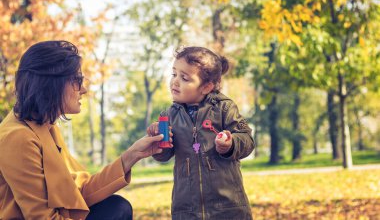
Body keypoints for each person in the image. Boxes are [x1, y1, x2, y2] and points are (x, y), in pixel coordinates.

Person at [0, 40, 169, 220]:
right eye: (76, 80)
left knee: (116, 207)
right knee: (116, 210)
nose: (84, 89)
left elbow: (77, 192)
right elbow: (43, 217)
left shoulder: (44, 126)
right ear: (51, 83)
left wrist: (132, 155)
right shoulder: (17, 138)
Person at [148, 46, 255, 220]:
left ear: (206, 87)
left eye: (184, 78)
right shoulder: (168, 116)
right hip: (186, 208)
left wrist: (231, 143)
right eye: (174, 74)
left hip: (227, 206)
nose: (175, 82)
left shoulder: (223, 107)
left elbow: (247, 139)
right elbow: (164, 155)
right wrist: (158, 142)